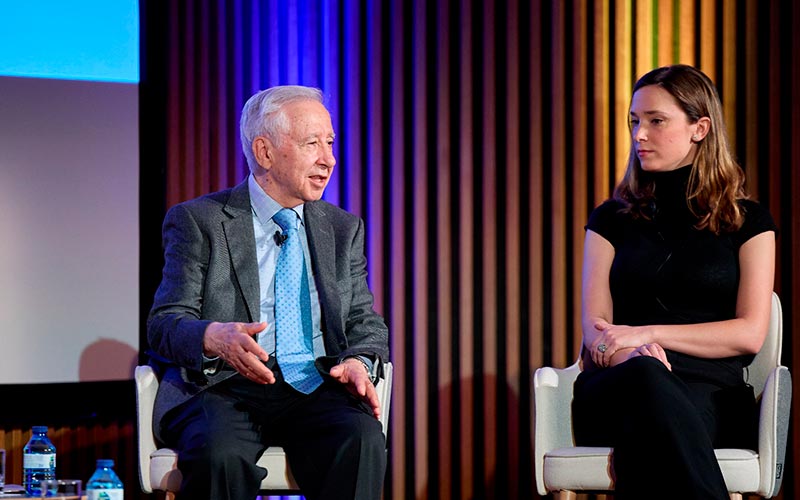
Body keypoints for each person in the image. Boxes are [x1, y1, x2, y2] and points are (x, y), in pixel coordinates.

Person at [146, 85, 390, 500]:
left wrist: (358, 360)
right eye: (312, 143)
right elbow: (165, 323)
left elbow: (364, 321)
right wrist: (212, 338)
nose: (328, 159)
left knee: (362, 438)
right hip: (222, 387)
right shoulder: (198, 221)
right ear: (264, 152)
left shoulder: (342, 228)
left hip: (313, 384)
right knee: (220, 455)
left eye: (330, 143)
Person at [572, 64, 776, 499]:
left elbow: (749, 334)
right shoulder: (610, 219)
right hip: (621, 380)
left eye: (656, 121)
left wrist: (648, 331)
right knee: (647, 384)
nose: (639, 134)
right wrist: (633, 353)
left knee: (654, 428)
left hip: (710, 391)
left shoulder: (749, 221)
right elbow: (597, 329)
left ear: (700, 128)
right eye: (634, 121)